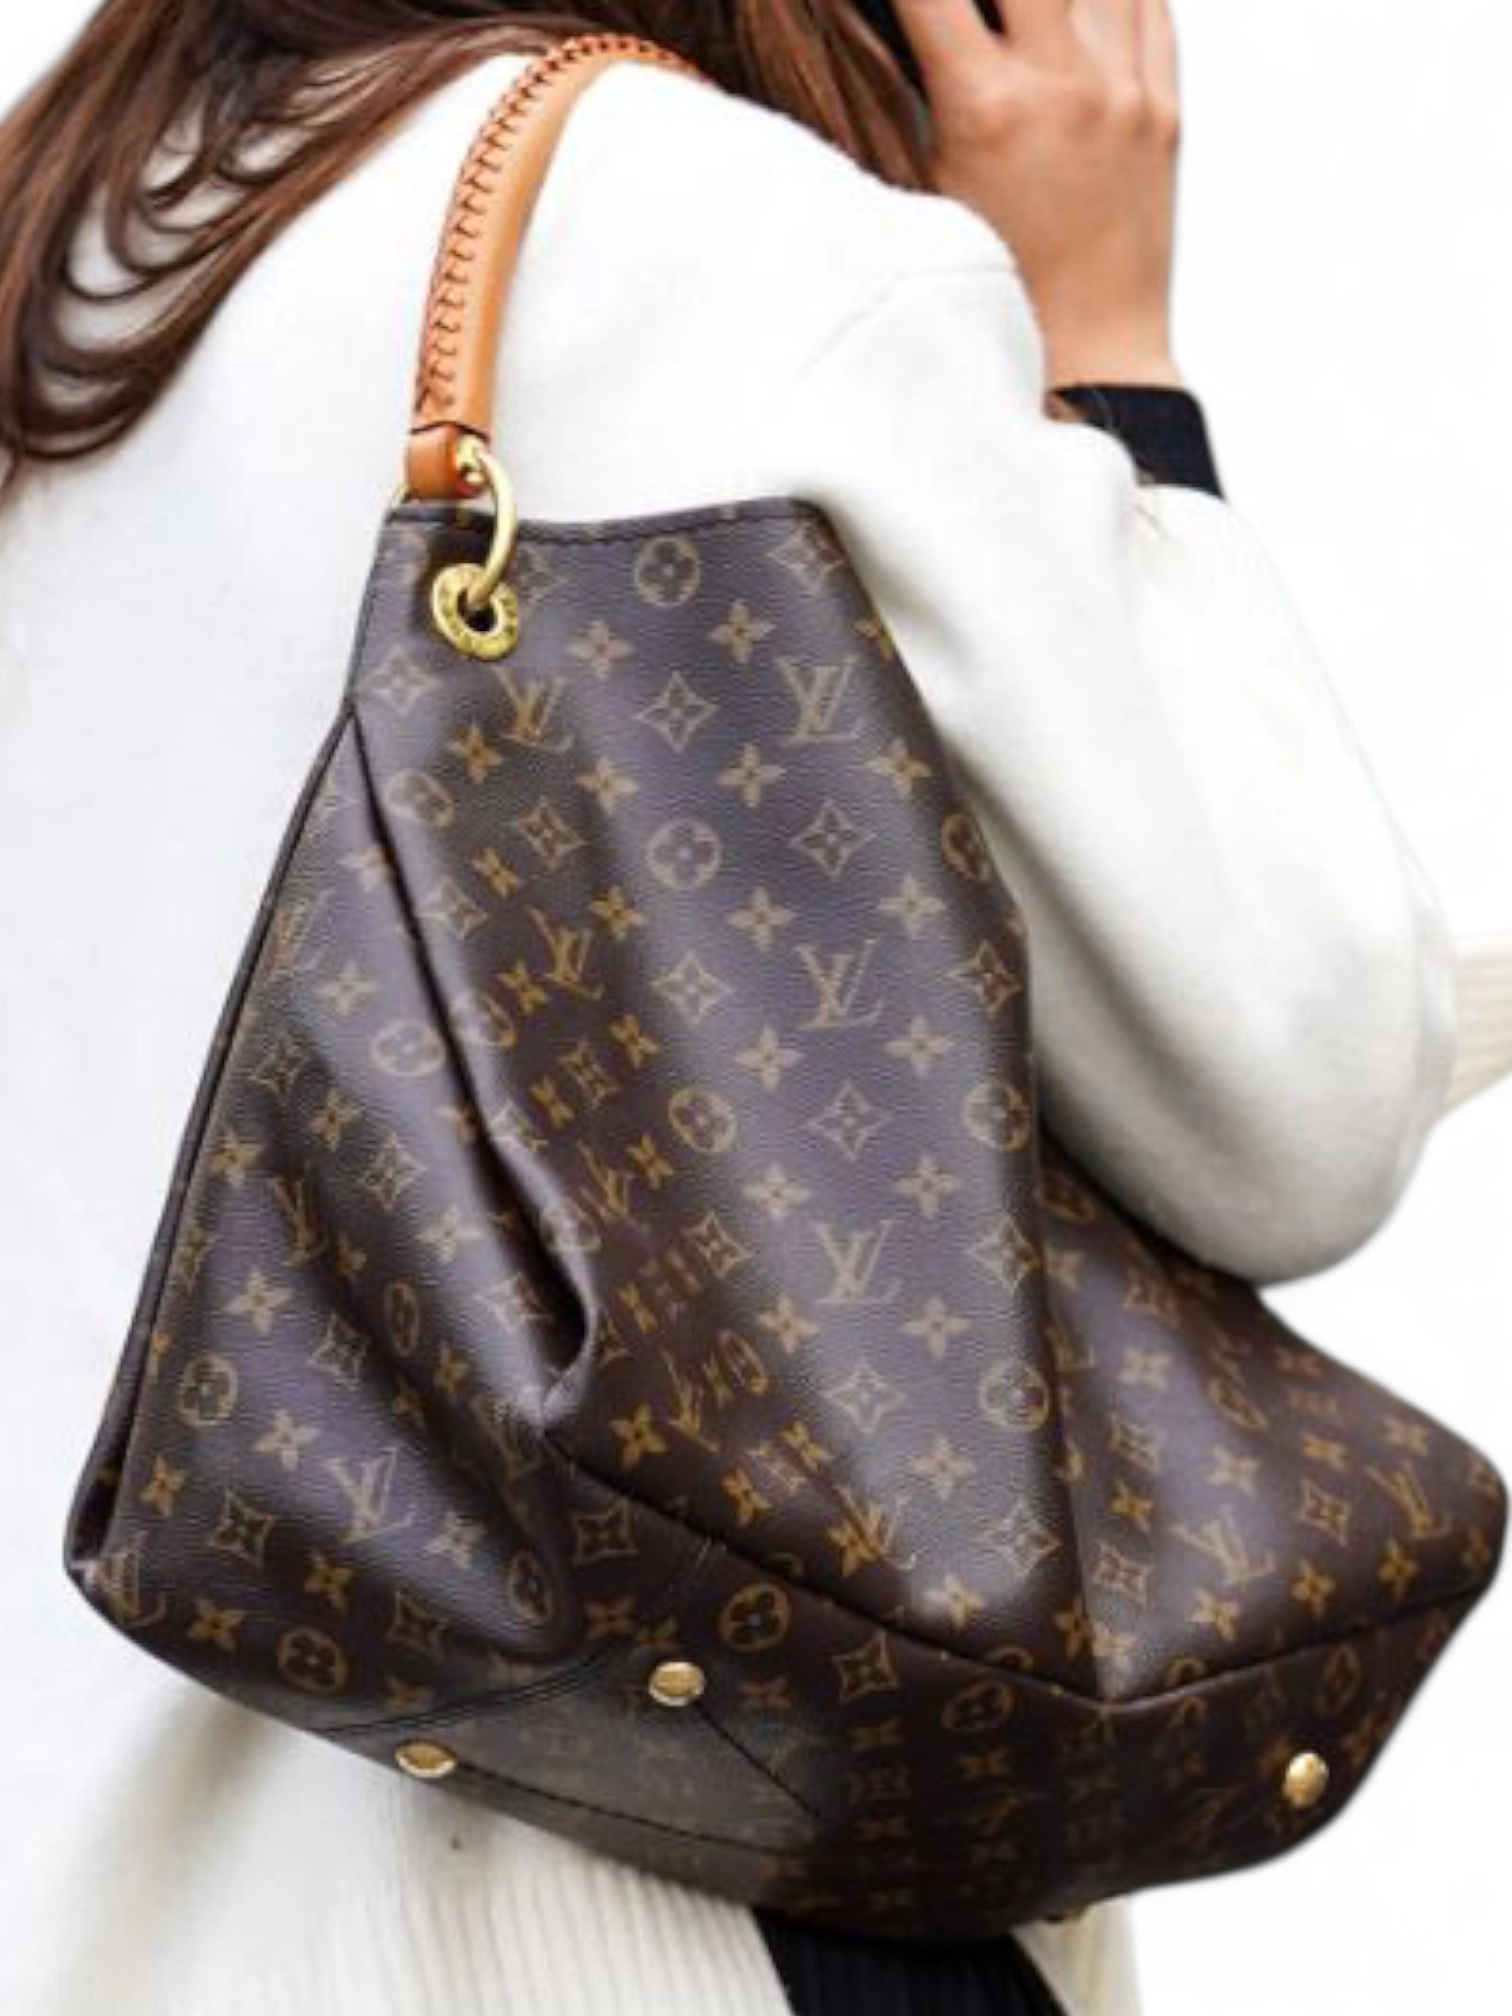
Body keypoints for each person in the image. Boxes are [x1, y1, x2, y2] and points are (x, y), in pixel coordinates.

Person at [1, 4, 1508, 2014]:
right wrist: (1108, 346)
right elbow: (1295, 1101)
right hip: (636, 1907)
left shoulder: (88, 223)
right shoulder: (709, 236)